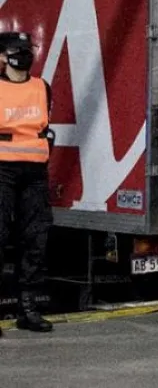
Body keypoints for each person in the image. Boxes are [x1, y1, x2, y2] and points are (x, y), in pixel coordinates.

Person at [0, 32, 55, 336]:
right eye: (15, 50)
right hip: (2, 171)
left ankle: (28, 308)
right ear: (2, 57)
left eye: (26, 49)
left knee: (35, 238)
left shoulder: (41, 87)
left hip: (35, 174)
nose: (23, 54)